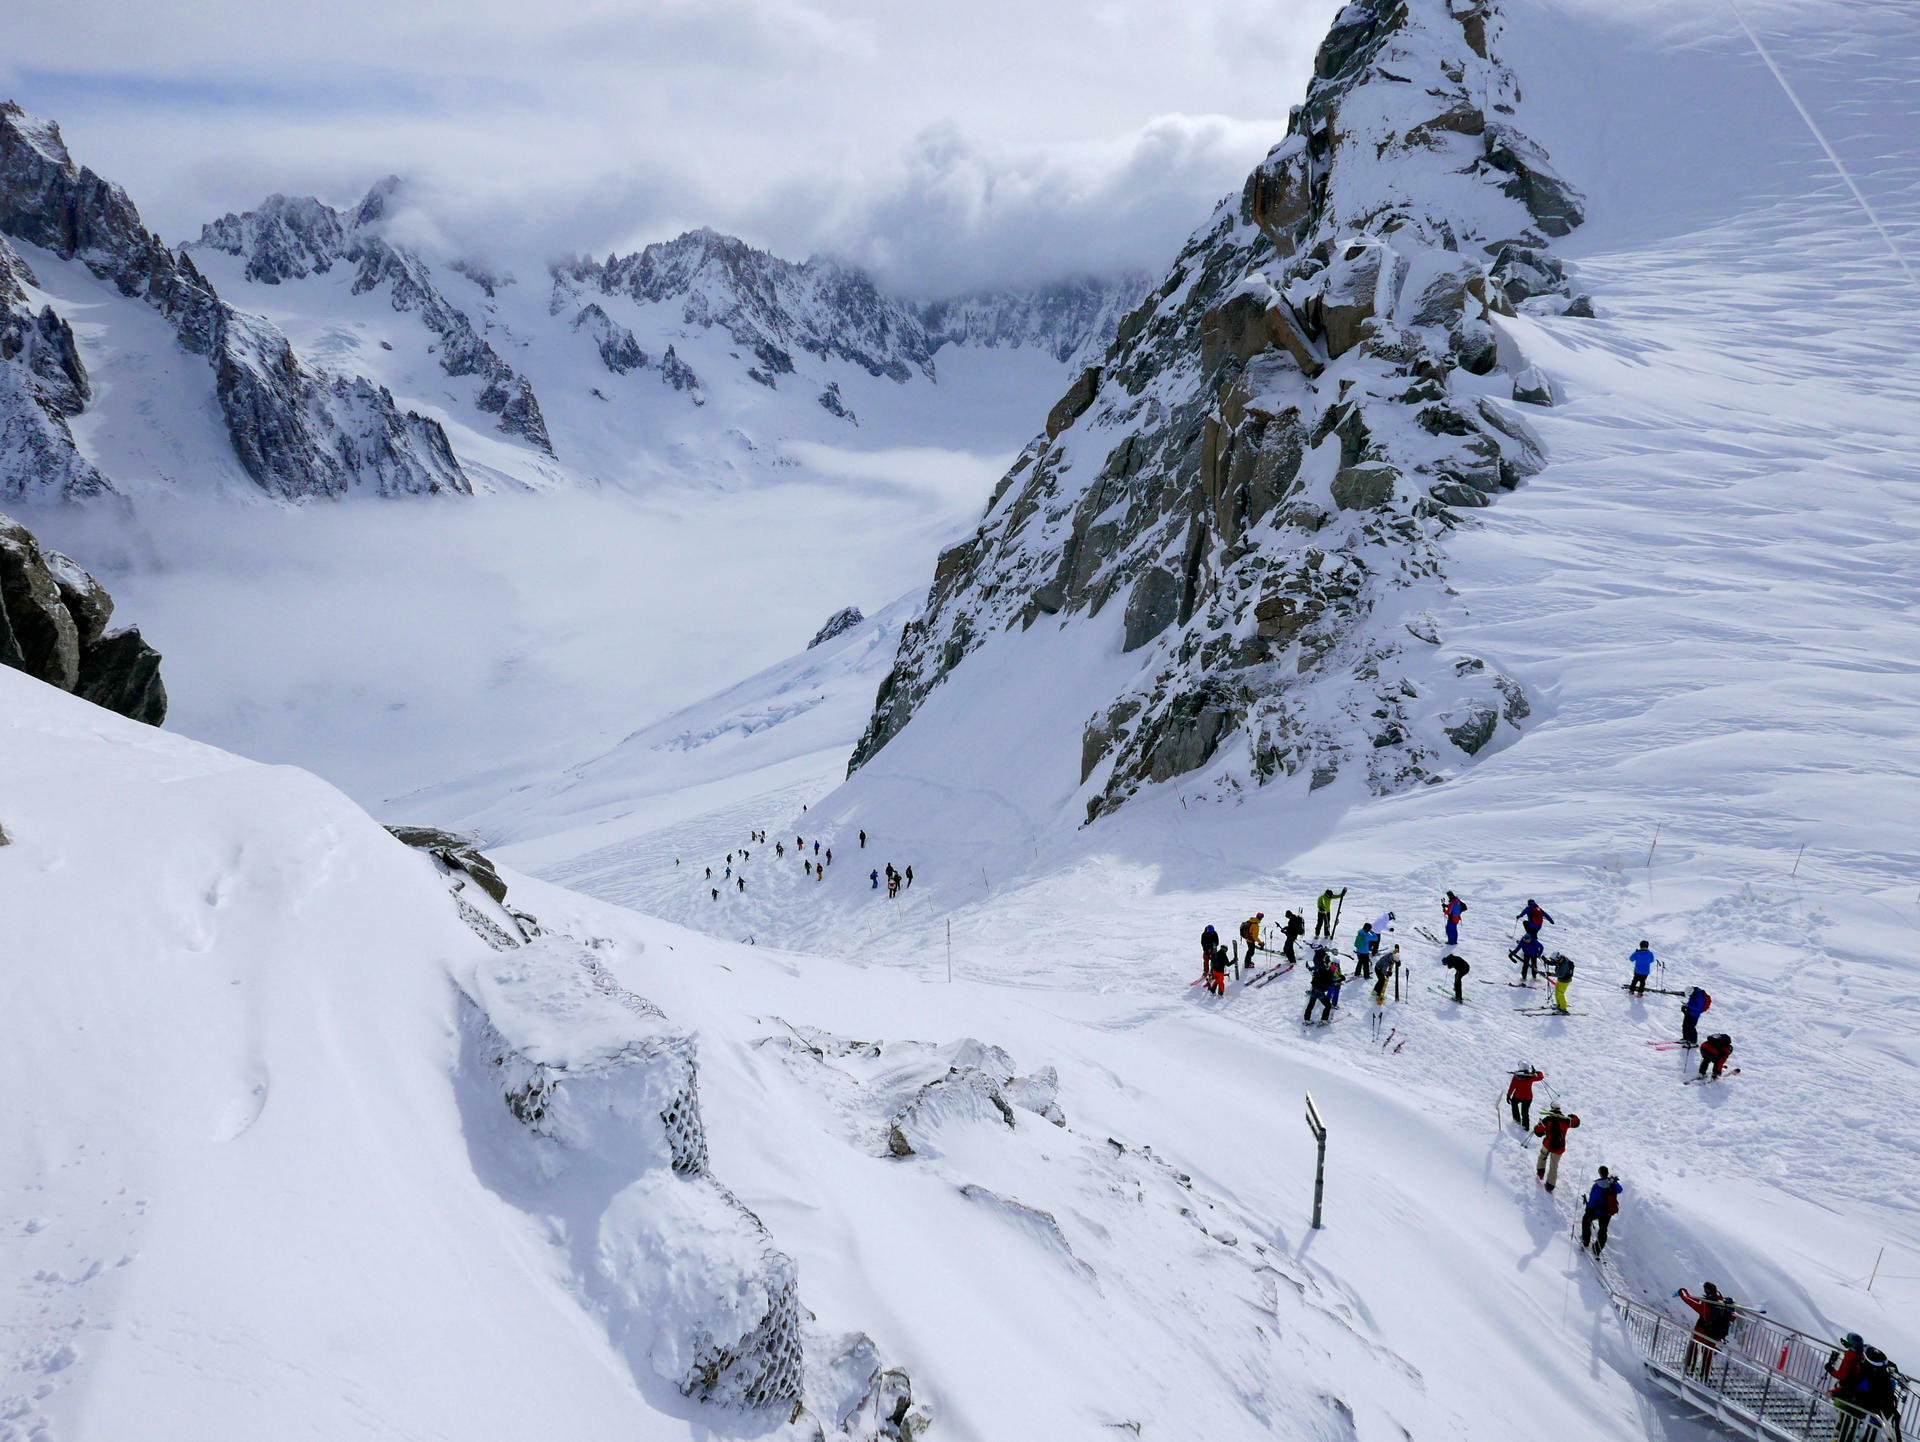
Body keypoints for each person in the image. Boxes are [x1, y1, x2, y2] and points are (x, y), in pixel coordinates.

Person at [1835, 1346, 1902, 1442]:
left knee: (1850, 1424)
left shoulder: (1867, 1372)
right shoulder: (1885, 1374)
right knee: (1871, 1431)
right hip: (1881, 1410)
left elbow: (1852, 1387)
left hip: (1862, 1406)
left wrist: (1838, 1392)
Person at [1678, 1283, 1736, 1381]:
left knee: (1694, 1346)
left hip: (1702, 1331)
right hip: (1715, 1334)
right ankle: (1704, 1375)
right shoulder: (1722, 1303)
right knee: (1707, 1353)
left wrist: (1682, 1292)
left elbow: (1689, 1301)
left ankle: (1690, 1367)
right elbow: (1733, 1317)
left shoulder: (1706, 1304)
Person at [1533, 1103, 1580, 1191]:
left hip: (1548, 1144)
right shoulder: (1566, 1120)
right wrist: (1571, 1116)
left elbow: (1537, 1131)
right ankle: (1550, 1186)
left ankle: (1540, 1173)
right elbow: (1576, 1122)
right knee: (1554, 1166)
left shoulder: (1548, 1119)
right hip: (1559, 1148)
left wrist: (1537, 1127)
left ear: (1551, 1108)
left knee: (1542, 1156)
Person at [1582, 1167, 1622, 1256]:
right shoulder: (1612, 1183)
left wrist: (1588, 1207)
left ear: (1599, 1173)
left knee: (1586, 1219)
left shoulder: (1597, 1185)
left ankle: (1585, 1241)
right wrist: (1614, 1181)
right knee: (1603, 1230)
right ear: (1607, 1173)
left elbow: (1592, 1201)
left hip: (1597, 1211)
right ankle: (1597, 1250)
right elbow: (1620, 1190)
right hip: (1608, 1212)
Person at [1827, 1333, 1868, 1402]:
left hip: (1849, 1388)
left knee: (1830, 1394)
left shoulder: (1850, 1357)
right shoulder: (1862, 1355)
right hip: (1856, 1387)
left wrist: (1830, 1369)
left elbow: (1842, 1375)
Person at [1304, 947, 1336, 1024]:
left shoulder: (1323, 969)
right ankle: (1324, 1019)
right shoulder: (1330, 976)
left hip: (1314, 989)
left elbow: (1317, 969)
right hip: (1320, 992)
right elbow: (1331, 984)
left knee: (1310, 1005)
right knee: (1328, 1005)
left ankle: (1307, 1019)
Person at [1506, 1064, 1544, 1128]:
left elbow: (1512, 1087)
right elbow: (1541, 1077)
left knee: (1514, 1105)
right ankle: (1526, 1126)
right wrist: (1537, 1072)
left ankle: (1516, 1120)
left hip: (1517, 1096)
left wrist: (1508, 1095)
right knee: (1525, 1112)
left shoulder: (1516, 1077)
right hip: (1528, 1098)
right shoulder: (1530, 1077)